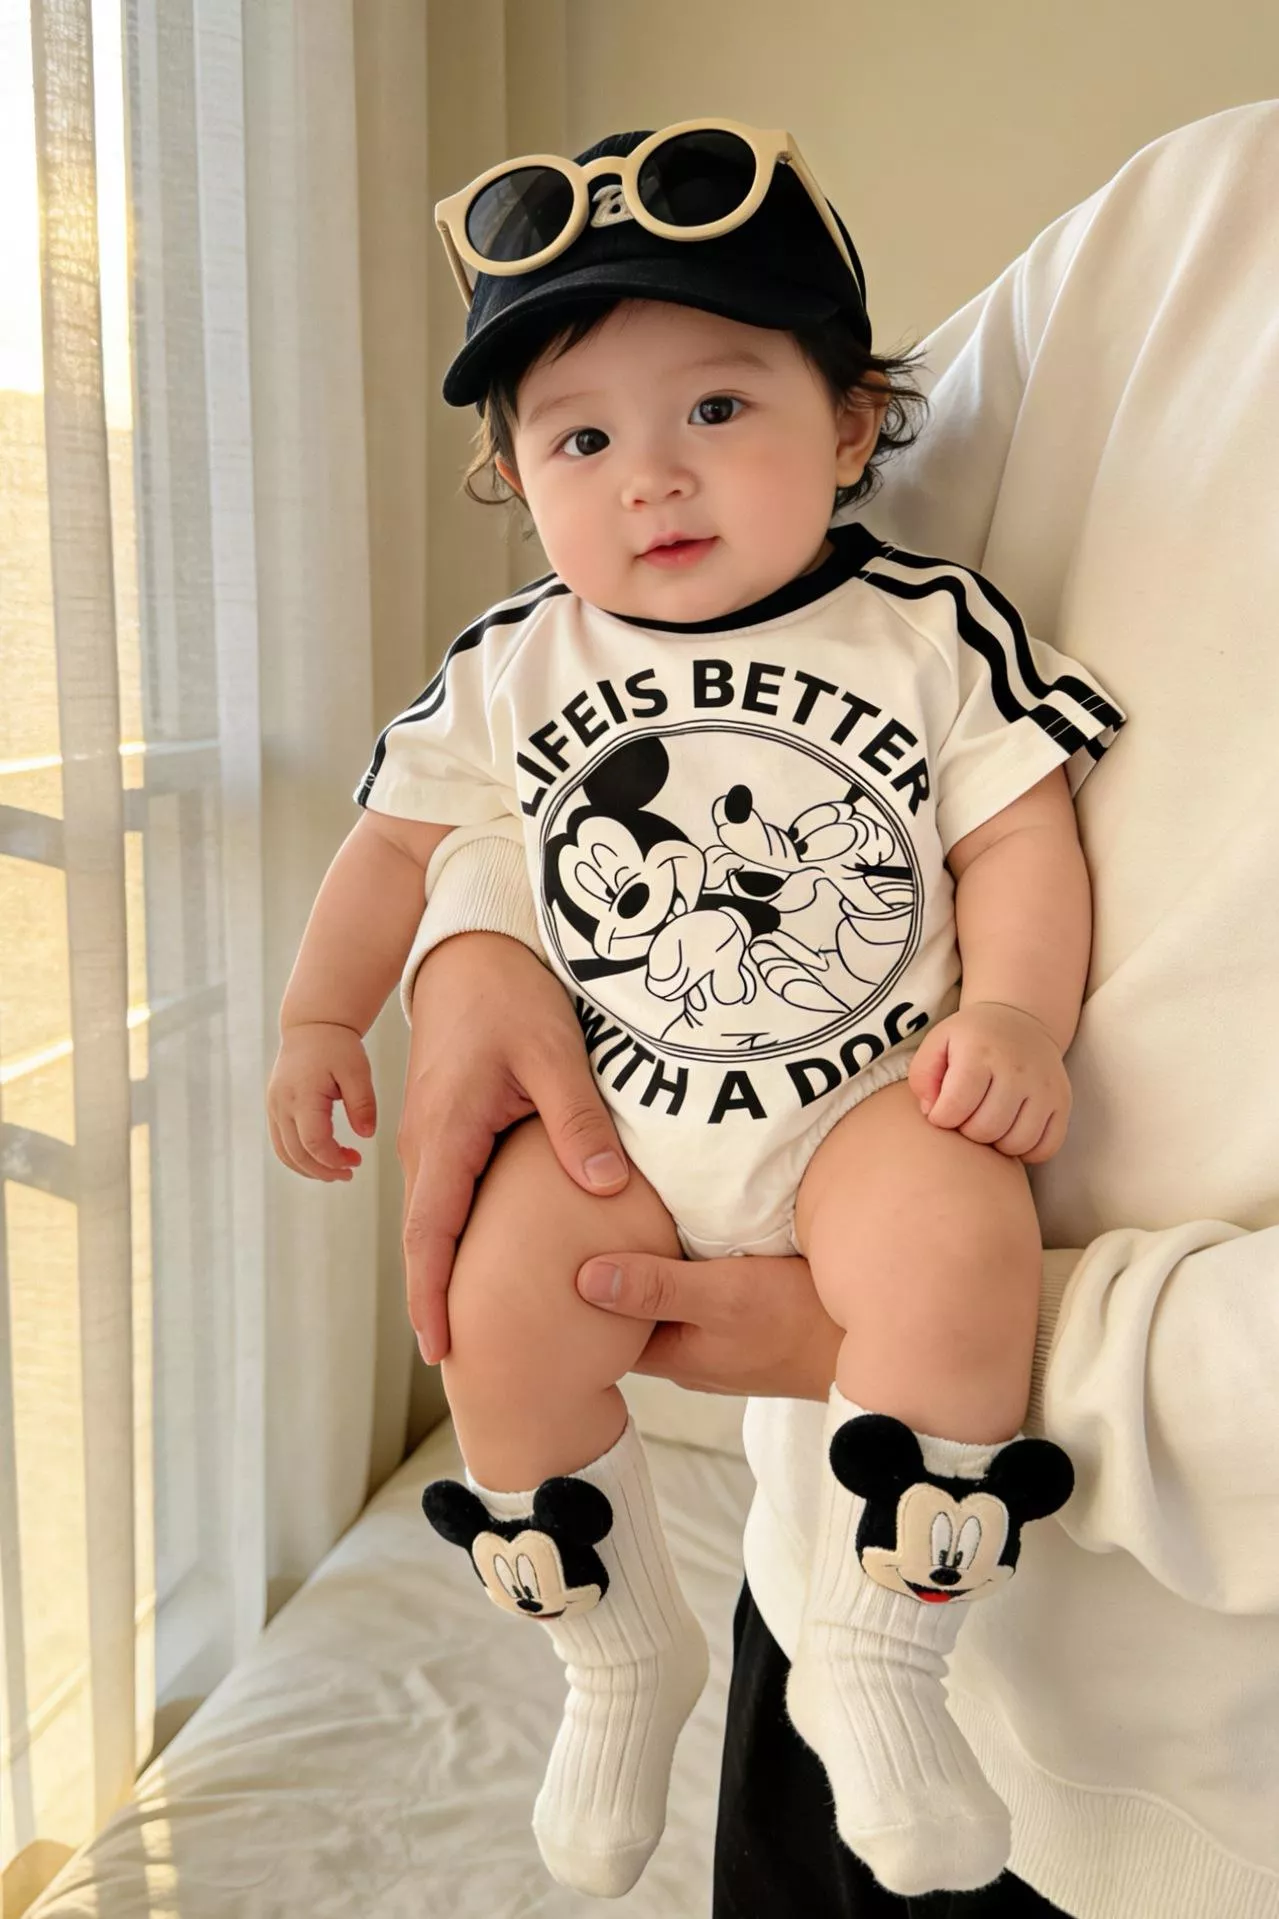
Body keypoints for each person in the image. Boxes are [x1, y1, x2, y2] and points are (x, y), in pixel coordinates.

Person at [392, 104, 1279, 1919]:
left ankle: (892, 1652)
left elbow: (1014, 818)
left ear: (849, 418)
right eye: (577, 439)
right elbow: (432, 821)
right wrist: (455, 945)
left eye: (712, 411)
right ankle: (611, 1652)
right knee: (492, 1310)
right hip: (771, 1510)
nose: (654, 480)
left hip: (1194, 1749)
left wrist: (1012, 1017)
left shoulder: (932, 633)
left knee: (940, 1215)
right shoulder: (1193, 216)